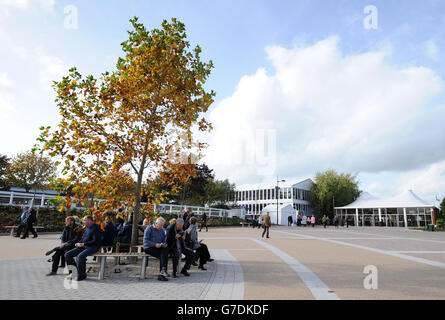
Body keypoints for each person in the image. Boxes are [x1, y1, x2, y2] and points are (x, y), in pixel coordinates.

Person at [65, 215, 103, 281]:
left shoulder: (96, 228)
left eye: (84, 220)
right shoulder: (87, 228)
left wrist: (83, 244)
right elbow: (83, 238)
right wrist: (78, 243)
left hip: (93, 247)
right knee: (67, 254)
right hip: (84, 246)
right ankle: (74, 273)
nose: (83, 221)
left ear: (90, 220)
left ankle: (82, 275)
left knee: (80, 256)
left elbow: (96, 241)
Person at [143, 217, 169, 281]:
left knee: (165, 251)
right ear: (156, 223)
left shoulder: (162, 230)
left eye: (162, 225)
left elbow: (164, 239)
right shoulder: (149, 229)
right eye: (160, 225)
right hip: (149, 248)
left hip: (159, 247)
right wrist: (155, 244)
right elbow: (145, 241)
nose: (161, 227)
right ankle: (162, 273)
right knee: (163, 255)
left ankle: (162, 272)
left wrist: (164, 244)